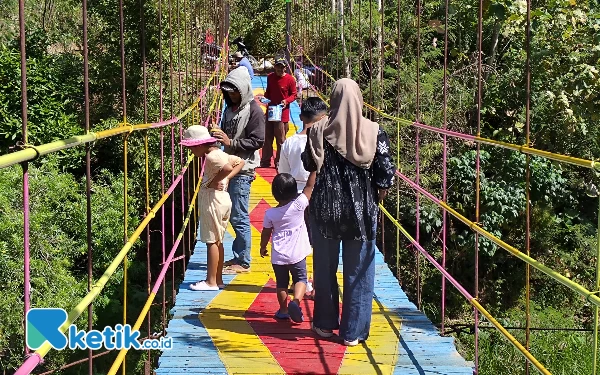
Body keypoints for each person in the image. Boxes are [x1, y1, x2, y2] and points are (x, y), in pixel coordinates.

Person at [301, 78, 396, 346]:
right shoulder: (375, 132)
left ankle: (323, 324)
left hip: (324, 211)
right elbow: (385, 174)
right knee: (359, 271)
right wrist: (377, 196)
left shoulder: (317, 130)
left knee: (324, 268)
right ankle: (352, 332)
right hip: (361, 213)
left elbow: (308, 163)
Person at [211, 67, 265, 273]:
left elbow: (258, 140)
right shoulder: (230, 108)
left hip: (243, 169)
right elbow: (226, 133)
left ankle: (243, 260)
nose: (231, 95)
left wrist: (229, 141)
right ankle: (238, 256)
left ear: (243, 89)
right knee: (231, 212)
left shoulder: (254, 111)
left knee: (239, 214)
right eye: (228, 91)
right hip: (228, 164)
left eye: (235, 91)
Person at [180, 125, 245, 291]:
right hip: (222, 199)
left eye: (190, 147)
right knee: (218, 241)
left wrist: (219, 179)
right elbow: (240, 162)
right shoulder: (220, 153)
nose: (191, 151)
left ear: (199, 145)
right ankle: (218, 279)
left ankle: (210, 282)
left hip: (213, 201)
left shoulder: (211, 157)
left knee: (211, 242)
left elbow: (227, 168)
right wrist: (225, 180)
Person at [260, 172, 316, 323]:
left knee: (282, 283)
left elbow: (265, 233)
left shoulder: (270, 213)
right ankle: (296, 302)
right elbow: (309, 187)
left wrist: (262, 247)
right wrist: (315, 169)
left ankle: (284, 310)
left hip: (279, 255)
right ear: (294, 192)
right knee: (301, 279)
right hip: (297, 253)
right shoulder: (299, 205)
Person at [278, 97, 327, 193]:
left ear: (301, 117)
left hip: (294, 191)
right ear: (323, 118)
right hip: (319, 192)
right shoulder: (326, 142)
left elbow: (283, 172)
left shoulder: (289, 142)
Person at [261, 57, 297, 169]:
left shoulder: (290, 80)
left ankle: (280, 162)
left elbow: (294, 94)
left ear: (285, 67)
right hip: (271, 111)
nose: (280, 69)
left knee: (281, 139)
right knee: (267, 137)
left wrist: (286, 101)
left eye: (282, 67)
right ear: (275, 66)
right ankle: (265, 161)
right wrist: (264, 98)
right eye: (278, 66)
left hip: (282, 113)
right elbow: (268, 92)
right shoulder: (270, 77)